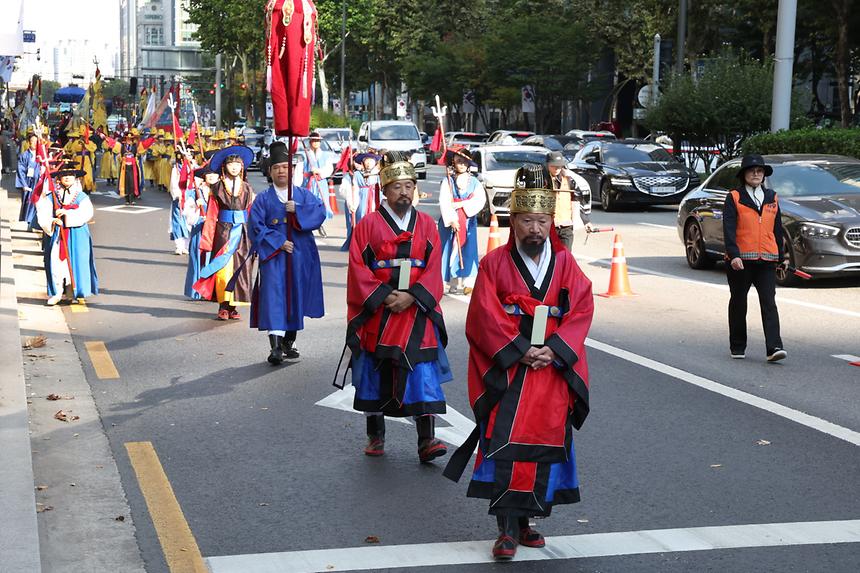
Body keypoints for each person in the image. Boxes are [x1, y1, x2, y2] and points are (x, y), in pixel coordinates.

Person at [443, 163, 594, 561]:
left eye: (542, 220)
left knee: (543, 445)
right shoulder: (494, 264)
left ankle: (528, 520)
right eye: (527, 220)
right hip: (511, 368)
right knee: (506, 444)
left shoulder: (565, 264)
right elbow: (483, 316)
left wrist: (555, 349)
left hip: (551, 370)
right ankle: (505, 528)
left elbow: (580, 308)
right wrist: (519, 349)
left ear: (551, 221)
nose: (535, 229)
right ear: (514, 221)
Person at [344, 150, 451, 462]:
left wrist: (413, 296)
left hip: (416, 310)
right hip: (380, 309)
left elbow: (434, 268)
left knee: (423, 373)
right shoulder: (367, 225)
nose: (403, 192)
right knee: (373, 371)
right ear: (384, 190)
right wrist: (384, 296)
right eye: (397, 187)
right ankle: (375, 435)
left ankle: (426, 439)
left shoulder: (428, 224)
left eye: (409, 186)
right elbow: (358, 268)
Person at [247, 141, 326, 365]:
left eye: (285, 166)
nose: (281, 171)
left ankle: (287, 343)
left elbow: (320, 213)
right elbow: (255, 226)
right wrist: (279, 241)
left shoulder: (303, 194)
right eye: (276, 167)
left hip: (300, 254)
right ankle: (275, 348)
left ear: (292, 170)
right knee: (274, 297)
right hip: (274, 256)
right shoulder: (262, 199)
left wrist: (298, 210)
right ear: (270, 172)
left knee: (295, 296)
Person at [722, 154, 786, 362]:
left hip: (766, 259)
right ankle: (737, 346)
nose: (756, 174)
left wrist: (782, 256)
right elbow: (729, 228)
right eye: (752, 171)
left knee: (769, 302)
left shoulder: (772, 197)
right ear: (744, 175)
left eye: (760, 171)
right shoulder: (734, 197)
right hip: (741, 261)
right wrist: (734, 254)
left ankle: (774, 347)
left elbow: (777, 229)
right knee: (739, 302)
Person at [193, 146, 255, 320]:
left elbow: (251, 212)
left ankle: (233, 306)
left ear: (242, 166)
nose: (234, 167)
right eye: (231, 163)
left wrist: (255, 236)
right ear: (224, 166)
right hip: (224, 233)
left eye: (237, 163)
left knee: (240, 269)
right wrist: (207, 240)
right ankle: (223, 305)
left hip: (242, 233)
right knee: (223, 270)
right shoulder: (217, 188)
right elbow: (212, 214)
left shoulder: (248, 189)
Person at [35, 158, 99, 306]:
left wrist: (67, 215)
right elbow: (43, 213)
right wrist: (52, 221)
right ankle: (56, 293)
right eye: (64, 175)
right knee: (56, 262)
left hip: (77, 232)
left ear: (75, 178)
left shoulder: (81, 196)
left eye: (70, 175)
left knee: (77, 260)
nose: (67, 177)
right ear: (59, 178)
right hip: (58, 233)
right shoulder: (53, 197)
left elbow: (87, 213)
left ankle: (75, 291)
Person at [437, 145, 486, 294]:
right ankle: (446, 281)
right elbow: (444, 200)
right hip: (449, 221)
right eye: (459, 161)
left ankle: (468, 281)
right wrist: (452, 219)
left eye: (465, 162)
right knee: (447, 249)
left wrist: (464, 210)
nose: (462, 165)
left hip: (468, 221)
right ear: (453, 163)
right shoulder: (448, 182)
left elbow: (480, 200)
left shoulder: (475, 183)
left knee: (468, 249)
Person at [184, 152, 218, 300]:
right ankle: (198, 290)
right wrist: (197, 209)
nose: (211, 177)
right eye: (208, 174)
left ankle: (213, 291)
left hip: (216, 230)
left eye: (214, 174)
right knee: (199, 259)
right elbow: (187, 213)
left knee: (214, 260)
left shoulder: (221, 192)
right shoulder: (195, 193)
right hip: (200, 230)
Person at [546, 151, 593, 250]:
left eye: (559, 166)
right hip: (547, 227)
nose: (557, 169)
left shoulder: (569, 180)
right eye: (554, 166)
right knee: (549, 259)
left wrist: (586, 221)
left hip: (566, 227)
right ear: (548, 165)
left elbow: (578, 202)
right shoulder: (541, 181)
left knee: (566, 257)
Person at [339, 151, 380, 251]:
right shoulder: (356, 175)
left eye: (371, 161)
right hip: (360, 199)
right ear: (362, 163)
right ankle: (360, 243)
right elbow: (351, 190)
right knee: (361, 218)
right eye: (367, 161)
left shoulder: (377, 175)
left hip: (375, 199)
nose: (369, 163)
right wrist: (352, 202)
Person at [296, 132, 334, 223]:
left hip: (321, 183)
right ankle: (309, 221)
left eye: (318, 141)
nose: (316, 143)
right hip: (308, 183)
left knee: (321, 202)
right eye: (314, 141)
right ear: (310, 142)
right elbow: (299, 171)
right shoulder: (304, 155)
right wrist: (296, 185)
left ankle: (320, 221)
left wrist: (319, 171)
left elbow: (329, 169)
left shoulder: (325, 155)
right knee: (308, 203)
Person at [168, 148, 197, 255]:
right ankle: (179, 245)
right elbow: (174, 183)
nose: (189, 157)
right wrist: (178, 195)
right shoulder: (176, 168)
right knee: (178, 222)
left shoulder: (195, 167)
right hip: (180, 197)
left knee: (190, 222)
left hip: (191, 197)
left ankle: (188, 245)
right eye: (187, 155)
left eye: (191, 155)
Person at [16, 129, 41, 231]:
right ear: (29, 142)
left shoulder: (41, 155)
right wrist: (24, 184)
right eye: (32, 142)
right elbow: (20, 170)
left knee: (39, 203)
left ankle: (37, 223)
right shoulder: (24, 155)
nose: (34, 144)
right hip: (29, 182)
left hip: (39, 182)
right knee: (29, 202)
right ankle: (29, 222)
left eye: (36, 142)